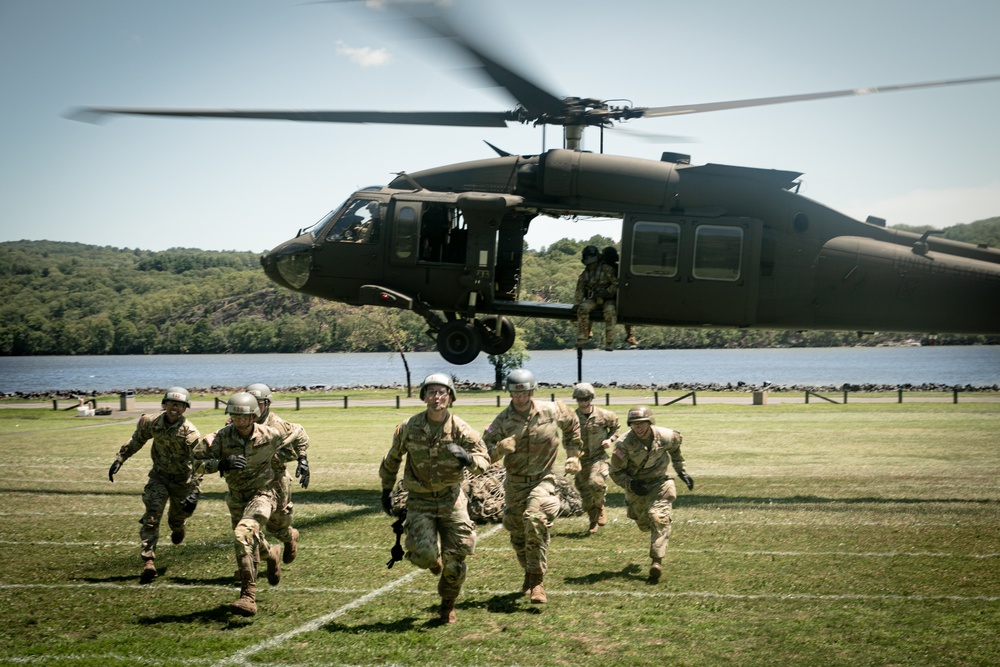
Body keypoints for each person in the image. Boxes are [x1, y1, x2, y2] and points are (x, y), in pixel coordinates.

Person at [378, 373, 490, 624]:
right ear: (424, 396)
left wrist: (468, 459)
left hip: (452, 500)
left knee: (458, 558)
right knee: (423, 555)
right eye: (431, 392)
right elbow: (392, 459)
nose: (436, 397)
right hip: (420, 500)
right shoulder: (409, 427)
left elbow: (485, 460)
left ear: (450, 397)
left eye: (442, 392)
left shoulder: (461, 429)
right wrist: (386, 490)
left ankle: (447, 604)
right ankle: (433, 560)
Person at [483, 369, 583, 603]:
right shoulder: (501, 421)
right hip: (515, 483)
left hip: (543, 479)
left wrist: (573, 455)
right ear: (509, 393)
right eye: (516, 393)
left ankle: (537, 581)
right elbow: (481, 453)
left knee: (535, 519)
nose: (520, 398)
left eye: (525, 392)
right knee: (518, 534)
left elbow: (572, 425)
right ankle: (529, 572)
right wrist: (498, 450)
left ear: (532, 391)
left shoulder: (552, 410)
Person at [193, 392, 298, 617]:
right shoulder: (219, 438)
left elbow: (297, 435)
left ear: (254, 416)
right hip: (237, 497)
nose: (239, 422)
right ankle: (272, 554)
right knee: (252, 541)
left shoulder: (271, 434)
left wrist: (302, 461)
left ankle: (248, 597)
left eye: (244, 417)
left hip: (263, 495)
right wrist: (221, 463)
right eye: (235, 417)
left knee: (242, 535)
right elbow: (196, 463)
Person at [108, 387, 202, 584]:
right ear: (164, 404)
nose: (175, 408)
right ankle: (148, 561)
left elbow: (201, 462)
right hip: (159, 477)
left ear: (185, 408)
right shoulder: (152, 422)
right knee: (152, 516)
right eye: (171, 403)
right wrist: (120, 459)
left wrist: (195, 490)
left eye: (180, 405)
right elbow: (137, 439)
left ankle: (178, 527)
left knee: (176, 519)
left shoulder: (190, 433)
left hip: (182, 481)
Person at [609, 406, 694, 583]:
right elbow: (615, 472)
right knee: (642, 521)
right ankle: (644, 522)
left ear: (650, 422)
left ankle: (656, 562)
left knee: (659, 517)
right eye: (634, 425)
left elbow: (676, 450)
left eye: (641, 424)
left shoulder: (666, 436)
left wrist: (681, 471)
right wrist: (631, 484)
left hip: (660, 483)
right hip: (636, 485)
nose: (638, 428)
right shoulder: (623, 444)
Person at [245, 383, 309, 565]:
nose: (255, 408)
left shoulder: (277, 425)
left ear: (267, 404)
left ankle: (290, 538)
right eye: (251, 402)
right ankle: (253, 565)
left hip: (275, 480)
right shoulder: (238, 421)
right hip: (247, 481)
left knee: (277, 526)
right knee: (247, 524)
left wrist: (302, 459)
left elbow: (297, 440)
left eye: (259, 403)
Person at [570, 382, 621, 534]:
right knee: (585, 496)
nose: (583, 402)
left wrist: (610, 440)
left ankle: (600, 508)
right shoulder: (572, 418)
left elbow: (616, 428)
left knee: (596, 482)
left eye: (586, 398)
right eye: (580, 399)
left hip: (598, 457)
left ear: (591, 398)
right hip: (580, 460)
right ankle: (593, 521)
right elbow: (567, 437)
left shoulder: (605, 415)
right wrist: (571, 456)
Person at [575, 245, 619, 351]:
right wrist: (577, 303)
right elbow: (580, 289)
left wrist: (606, 292)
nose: (591, 266)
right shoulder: (585, 273)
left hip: (608, 299)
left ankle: (609, 342)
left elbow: (616, 284)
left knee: (610, 312)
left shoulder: (606, 269)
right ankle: (583, 338)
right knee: (583, 309)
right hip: (593, 299)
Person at [600, 246, 638, 345]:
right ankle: (629, 335)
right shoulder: (604, 269)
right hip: (609, 297)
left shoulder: (616, 268)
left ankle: (630, 335)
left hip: (615, 296)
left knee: (628, 309)